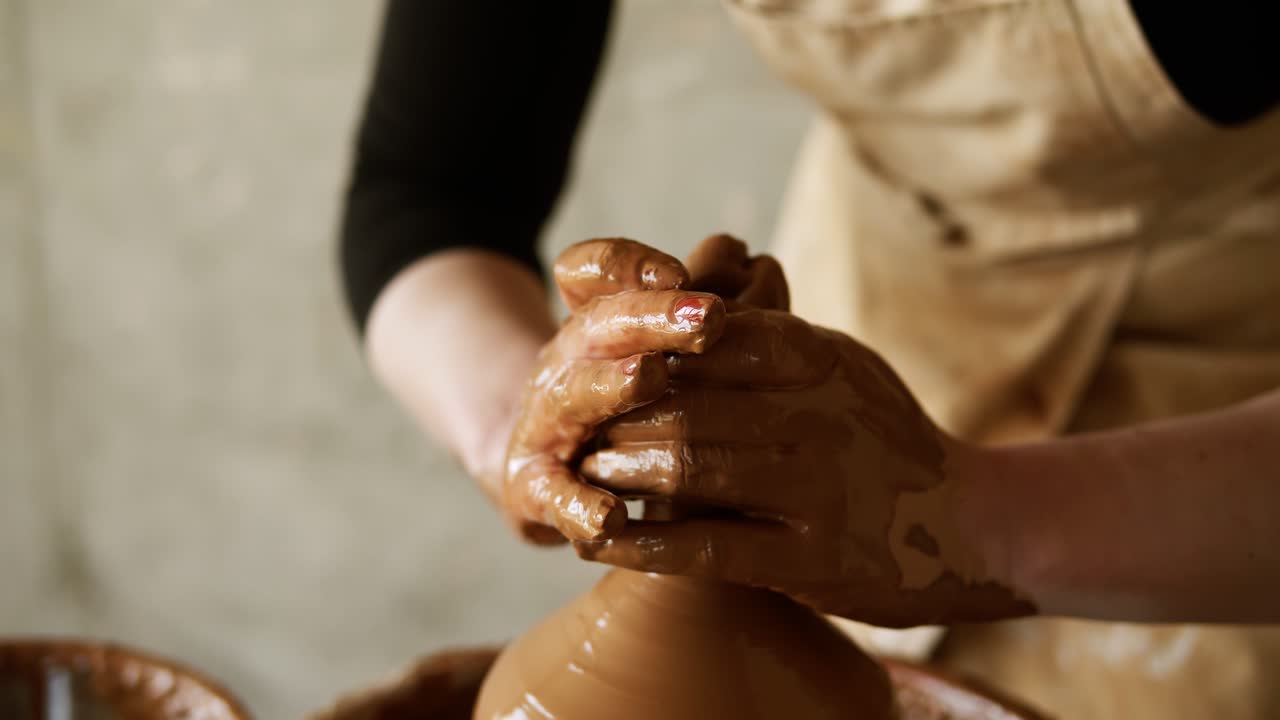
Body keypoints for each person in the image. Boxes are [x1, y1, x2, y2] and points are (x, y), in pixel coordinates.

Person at [339, 3, 1279, 718]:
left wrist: (964, 516)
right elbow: (431, 189)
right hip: (857, 347)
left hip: (1213, 470)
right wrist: (525, 416)